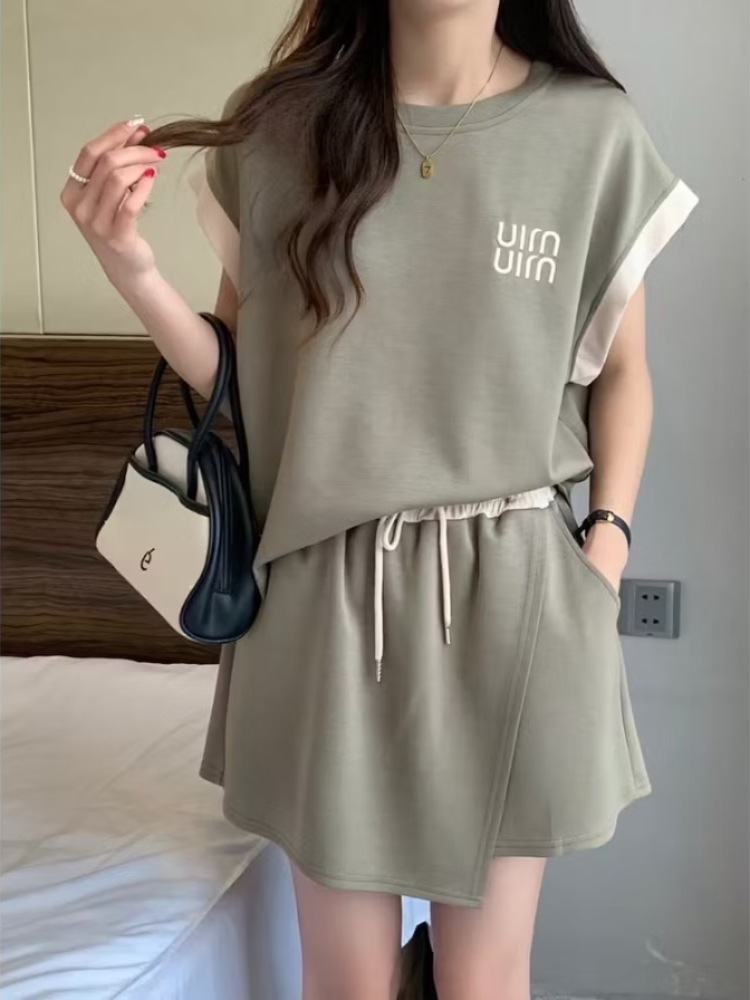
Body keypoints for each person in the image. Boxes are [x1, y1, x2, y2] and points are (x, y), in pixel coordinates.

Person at [61, 1, 698, 997]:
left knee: (484, 977)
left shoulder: (591, 130)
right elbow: (241, 375)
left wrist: (605, 552)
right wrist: (131, 269)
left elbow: (623, 371)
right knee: (348, 979)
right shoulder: (281, 127)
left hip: (512, 591)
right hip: (322, 598)